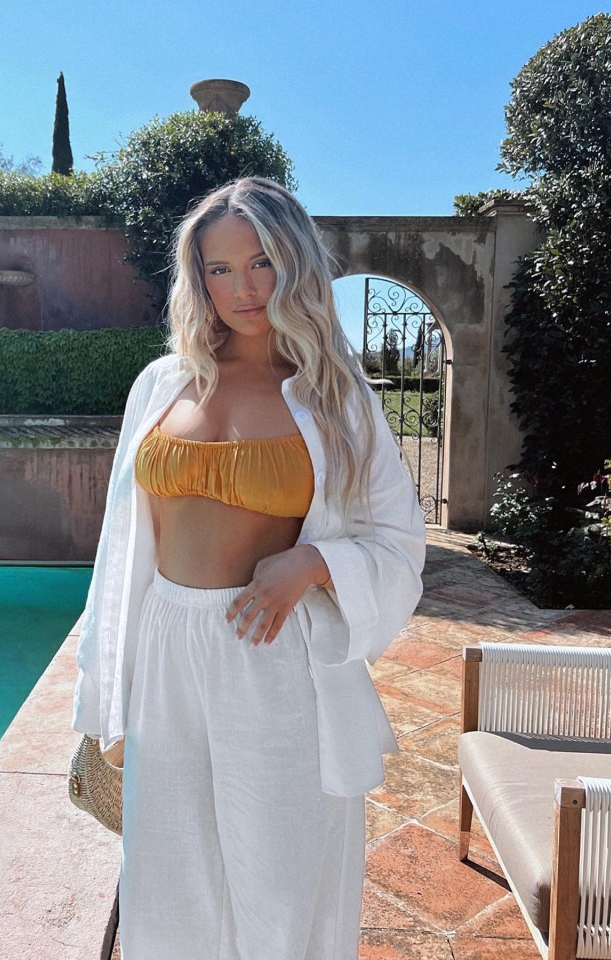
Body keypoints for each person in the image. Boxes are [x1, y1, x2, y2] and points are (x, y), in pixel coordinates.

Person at [73, 176, 425, 960]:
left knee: (280, 883)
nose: (243, 287)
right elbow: (121, 545)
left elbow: (399, 541)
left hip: (273, 660)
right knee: (169, 881)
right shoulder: (161, 385)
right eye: (219, 268)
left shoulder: (336, 397)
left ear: (295, 263)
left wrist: (316, 561)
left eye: (261, 262)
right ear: (197, 278)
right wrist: (107, 681)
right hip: (167, 653)